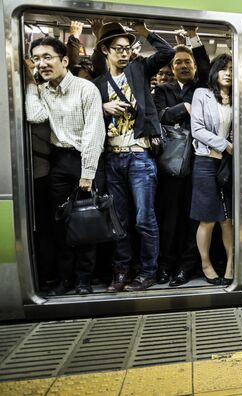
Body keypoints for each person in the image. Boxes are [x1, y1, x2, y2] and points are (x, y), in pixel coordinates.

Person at [93, 21, 174, 292]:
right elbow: (90, 119)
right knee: (120, 220)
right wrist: (103, 107)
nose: (124, 53)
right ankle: (121, 271)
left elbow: (167, 53)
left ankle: (148, 272)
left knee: (144, 218)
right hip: (112, 158)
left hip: (140, 157)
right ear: (105, 50)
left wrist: (143, 31)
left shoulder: (139, 69)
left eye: (127, 48)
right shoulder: (98, 85)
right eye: (118, 49)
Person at [25, 36, 106, 295]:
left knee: (87, 222)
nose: (42, 64)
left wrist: (88, 172)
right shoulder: (43, 90)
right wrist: (30, 82)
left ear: (65, 60)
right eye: (36, 59)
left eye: (47, 57)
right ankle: (65, 278)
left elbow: (94, 132)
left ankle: (84, 279)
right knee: (61, 224)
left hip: (86, 159)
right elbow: (34, 115)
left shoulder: (85, 88)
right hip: (59, 161)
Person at [153, 27, 211, 286]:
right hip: (172, 163)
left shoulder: (202, 86)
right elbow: (158, 116)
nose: (184, 65)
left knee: (192, 218)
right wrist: (181, 108)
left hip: (198, 162)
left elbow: (207, 67)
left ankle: (186, 267)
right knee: (168, 218)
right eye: (178, 62)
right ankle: (165, 264)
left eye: (188, 61)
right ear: (171, 67)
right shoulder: (162, 90)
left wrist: (192, 39)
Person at [189, 54, 234, 286]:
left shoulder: (239, 97)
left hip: (230, 164)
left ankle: (230, 264)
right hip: (206, 161)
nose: (228, 73)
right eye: (223, 69)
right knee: (207, 219)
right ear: (215, 71)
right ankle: (206, 264)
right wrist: (225, 145)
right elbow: (196, 128)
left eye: (232, 69)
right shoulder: (202, 94)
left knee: (228, 219)